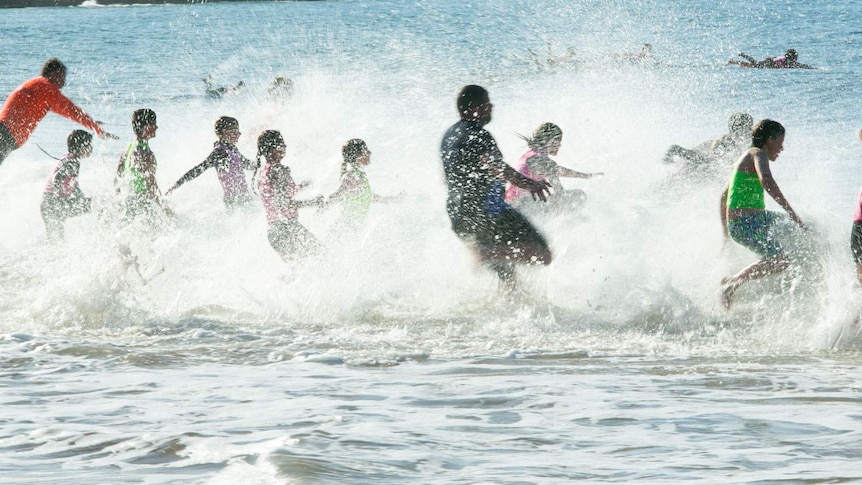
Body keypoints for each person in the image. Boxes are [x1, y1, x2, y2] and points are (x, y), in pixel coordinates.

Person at [440, 85, 553, 292]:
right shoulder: (479, 134)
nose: (491, 106)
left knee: (508, 277)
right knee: (543, 254)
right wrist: (531, 184)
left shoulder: (450, 135)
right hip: (487, 212)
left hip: (459, 214)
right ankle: (487, 253)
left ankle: (508, 310)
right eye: (486, 102)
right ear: (473, 107)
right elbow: (497, 166)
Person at [719, 119, 807, 309]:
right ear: (769, 140)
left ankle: (734, 282)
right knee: (781, 260)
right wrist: (790, 211)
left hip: (749, 221)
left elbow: (723, 198)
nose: (781, 149)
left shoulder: (741, 161)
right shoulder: (757, 153)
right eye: (780, 143)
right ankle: (732, 282)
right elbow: (766, 180)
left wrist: (726, 232)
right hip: (747, 222)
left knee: (796, 227)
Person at [0, 58, 116, 166]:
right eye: (62, 76)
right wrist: (96, 129)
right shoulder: (44, 86)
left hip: (7, 136)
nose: (64, 82)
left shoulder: (41, 89)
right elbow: (71, 110)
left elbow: (69, 112)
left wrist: (91, 123)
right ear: (53, 73)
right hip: (4, 134)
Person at [255, 130, 325, 260]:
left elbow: (276, 196)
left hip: (274, 230)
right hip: (287, 227)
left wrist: (300, 187)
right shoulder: (278, 170)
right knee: (323, 258)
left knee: (300, 271)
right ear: (271, 148)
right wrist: (313, 202)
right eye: (281, 143)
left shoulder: (264, 170)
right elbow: (283, 203)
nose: (285, 147)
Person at [165, 116, 257, 211]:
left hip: (244, 195)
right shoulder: (219, 153)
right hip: (232, 198)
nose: (238, 134)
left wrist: (261, 165)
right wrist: (177, 185)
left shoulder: (233, 149)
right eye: (234, 131)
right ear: (222, 133)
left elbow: (246, 164)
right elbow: (198, 169)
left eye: (238, 131)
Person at [505, 122, 602, 212]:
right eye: (559, 141)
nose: (560, 145)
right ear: (551, 141)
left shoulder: (532, 155)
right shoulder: (541, 160)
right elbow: (560, 193)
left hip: (513, 203)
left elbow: (560, 170)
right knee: (579, 196)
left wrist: (586, 176)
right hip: (522, 206)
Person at [115, 109, 172, 224]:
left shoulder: (128, 148)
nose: (157, 127)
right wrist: (163, 207)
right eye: (154, 124)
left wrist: (119, 199)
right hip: (142, 204)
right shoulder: (145, 153)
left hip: (128, 202)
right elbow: (150, 183)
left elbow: (117, 177)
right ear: (146, 127)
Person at [324, 138, 397, 226]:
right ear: (358, 156)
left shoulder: (359, 175)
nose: (370, 153)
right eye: (366, 150)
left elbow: (366, 196)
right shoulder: (351, 176)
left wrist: (389, 199)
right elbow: (337, 194)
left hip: (353, 228)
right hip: (346, 228)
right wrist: (323, 207)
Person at [40, 130, 94, 241]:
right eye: (89, 144)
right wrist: (57, 197)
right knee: (96, 204)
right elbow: (57, 178)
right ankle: (104, 236)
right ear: (81, 147)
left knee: (56, 240)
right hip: (53, 204)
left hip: (46, 204)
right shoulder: (72, 162)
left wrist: (80, 198)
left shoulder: (69, 158)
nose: (91, 148)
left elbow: (73, 186)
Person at [663, 112, 754, 176]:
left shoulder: (737, 143)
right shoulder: (725, 141)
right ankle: (676, 149)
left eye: (749, 127)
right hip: (702, 160)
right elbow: (712, 159)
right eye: (747, 127)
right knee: (707, 164)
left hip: (704, 159)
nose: (749, 131)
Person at [729, 49, 815, 69]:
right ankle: (742, 55)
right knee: (754, 64)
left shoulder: (786, 59)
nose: (796, 59)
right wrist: (812, 68)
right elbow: (800, 65)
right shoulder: (788, 61)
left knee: (752, 65)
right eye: (796, 57)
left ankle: (733, 62)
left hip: (769, 61)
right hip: (768, 63)